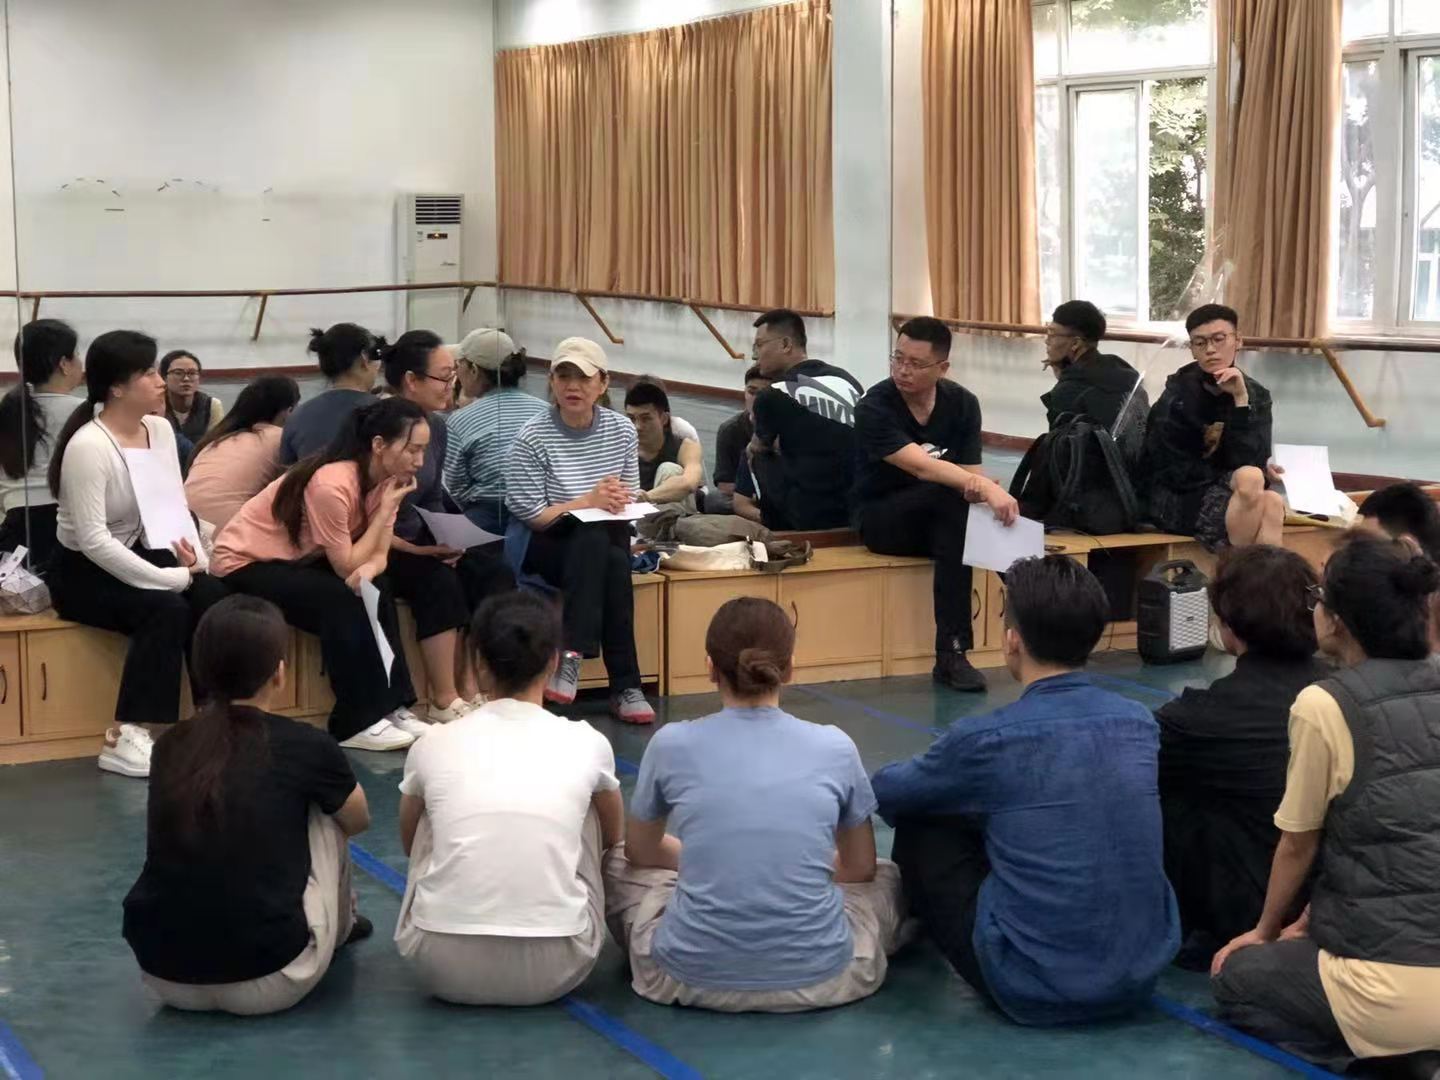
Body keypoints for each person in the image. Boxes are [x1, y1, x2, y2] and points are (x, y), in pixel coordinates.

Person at [872, 555, 1179, 1025]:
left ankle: (916, 930)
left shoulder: (987, 739)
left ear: (1012, 640)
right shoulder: (1139, 722)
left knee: (925, 817)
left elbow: (889, 792)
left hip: (1029, 984)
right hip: (1139, 975)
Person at [604, 596, 904, 1011]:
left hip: (683, 978)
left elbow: (640, 852)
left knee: (616, 863)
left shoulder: (670, 743)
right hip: (827, 979)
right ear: (790, 667)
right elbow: (860, 867)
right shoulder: (835, 745)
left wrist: (713, 862)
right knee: (887, 875)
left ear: (710, 667)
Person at [1212, 533, 1440, 1071]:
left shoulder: (1324, 705)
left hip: (1391, 986)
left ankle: (1393, 1055)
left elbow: (1298, 844)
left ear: (1336, 620)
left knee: (1236, 980)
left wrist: (1266, 931)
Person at [123, 595, 373, 1015]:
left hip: (163, 973)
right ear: (279, 672)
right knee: (328, 810)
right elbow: (358, 819)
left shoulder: (169, 745)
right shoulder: (307, 744)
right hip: (271, 974)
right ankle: (342, 926)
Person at [395, 591, 623, 1005]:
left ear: (479, 664)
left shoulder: (433, 741)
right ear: (553, 662)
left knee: (431, 806)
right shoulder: (587, 742)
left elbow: (410, 842)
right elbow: (614, 837)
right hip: (560, 964)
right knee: (592, 804)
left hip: (438, 964)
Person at [47, 330, 231, 779]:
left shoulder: (160, 429)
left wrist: (194, 559)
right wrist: (167, 578)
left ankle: (213, 719)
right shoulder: (88, 447)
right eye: (148, 372)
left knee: (212, 595)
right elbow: (94, 541)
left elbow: (170, 502)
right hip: (83, 571)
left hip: (143, 549)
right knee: (165, 609)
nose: (160, 380)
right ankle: (127, 734)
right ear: (116, 387)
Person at [211, 398, 427, 751]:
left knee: (377, 586)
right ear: (379, 445)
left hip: (296, 558)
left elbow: (378, 555)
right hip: (244, 562)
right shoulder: (332, 484)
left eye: (423, 451)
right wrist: (382, 515)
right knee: (339, 599)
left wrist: (369, 569)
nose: (419, 461)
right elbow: (345, 566)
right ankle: (354, 722)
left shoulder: (388, 481)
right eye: (412, 450)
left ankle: (394, 704)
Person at [1157, 545, 1324, 968]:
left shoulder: (1200, 720)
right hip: (1341, 899)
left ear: (1229, 625)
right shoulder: (1349, 691)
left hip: (1259, 912)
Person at [854, 317, 1019, 692]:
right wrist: (982, 488)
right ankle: (1019, 595)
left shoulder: (962, 403)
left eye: (915, 363)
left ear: (942, 368)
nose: (903, 370)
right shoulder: (874, 406)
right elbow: (922, 467)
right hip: (882, 520)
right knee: (947, 496)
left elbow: (970, 478)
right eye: (898, 359)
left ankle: (956, 650)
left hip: (943, 521)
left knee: (965, 514)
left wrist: (984, 491)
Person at [506, 337, 654, 724]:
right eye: (564, 376)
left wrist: (614, 502)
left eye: (584, 378)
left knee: (610, 555)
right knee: (596, 543)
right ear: (551, 381)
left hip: (603, 539)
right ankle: (626, 685)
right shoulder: (532, 436)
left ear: (602, 384)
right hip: (547, 540)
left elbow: (629, 495)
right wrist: (587, 502)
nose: (573, 386)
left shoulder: (621, 430)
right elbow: (533, 516)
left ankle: (572, 656)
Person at [381, 329, 516, 719]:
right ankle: (443, 698)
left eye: (454, 375)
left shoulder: (438, 427)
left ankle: (472, 678)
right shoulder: (378, 426)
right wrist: (425, 549)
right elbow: (366, 512)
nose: (451, 385)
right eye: (443, 377)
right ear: (411, 380)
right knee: (437, 579)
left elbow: (433, 497)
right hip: (381, 542)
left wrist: (450, 538)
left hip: (421, 535)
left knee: (493, 570)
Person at [1140, 304, 1283, 550]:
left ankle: (1252, 571)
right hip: (1177, 498)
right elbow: (1172, 470)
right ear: (1192, 350)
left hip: (1237, 491)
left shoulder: (1256, 394)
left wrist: (1240, 400)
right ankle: (1242, 565)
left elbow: (1252, 460)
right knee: (1254, 484)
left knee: (1271, 500)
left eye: (1219, 339)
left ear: (1238, 340)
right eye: (1200, 343)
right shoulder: (1178, 395)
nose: (1210, 349)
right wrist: (1229, 479)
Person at [747, 308, 863, 530]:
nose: (755, 355)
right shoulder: (847, 379)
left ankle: (778, 532)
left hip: (811, 514)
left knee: (753, 454)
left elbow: (758, 447)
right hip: (859, 506)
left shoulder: (772, 394)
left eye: (759, 345)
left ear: (785, 344)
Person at [444, 328, 546, 535]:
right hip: (545, 514)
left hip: (488, 516)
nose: (456, 372)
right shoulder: (547, 411)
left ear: (473, 370)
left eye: (459, 364)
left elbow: (455, 487)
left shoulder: (461, 420)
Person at [0, 319, 83, 572]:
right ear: (64, 364)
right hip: (66, 530)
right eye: (77, 355)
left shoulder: (7, 409)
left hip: (14, 531)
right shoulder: (86, 412)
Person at [184, 376, 300, 529]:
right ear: (288, 412)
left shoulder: (218, 440)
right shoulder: (280, 438)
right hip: (229, 531)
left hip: (185, 526)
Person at [280, 323, 383, 464]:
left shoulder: (297, 417)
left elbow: (287, 472)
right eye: (375, 356)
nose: (378, 365)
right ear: (364, 359)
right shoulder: (385, 413)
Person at [1040, 300, 1144, 432]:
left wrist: (1064, 381)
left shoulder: (1068, 392)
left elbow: (1059, 443)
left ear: (1075, 344)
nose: (1047, 341)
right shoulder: (1120, 368)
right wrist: (1064, 374)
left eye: (1052, 334)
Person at [624, 381, 702, 511]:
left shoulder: (686, 446)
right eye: (632, 418)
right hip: (626, 511)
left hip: (672, 514)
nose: (637, 426)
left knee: (669, 470)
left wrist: (645, 498)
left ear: (664, 419)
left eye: (646, 419)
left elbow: (689, 482)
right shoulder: (619, 445)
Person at [710, 365, 774, 515]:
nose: (756, 399)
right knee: (714, 500)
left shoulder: (789, 426)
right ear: (744, 392)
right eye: (752, 392)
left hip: (781, 497)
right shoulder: (730, 429)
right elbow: (724, 485)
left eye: (764, 394)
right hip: (748, 498)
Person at [160, 349, 224, 445]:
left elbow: (215, 444)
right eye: (178, 373)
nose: (186, 379)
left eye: (192, 373)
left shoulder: (211, 405)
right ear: (164, 377)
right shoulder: (156, 404)